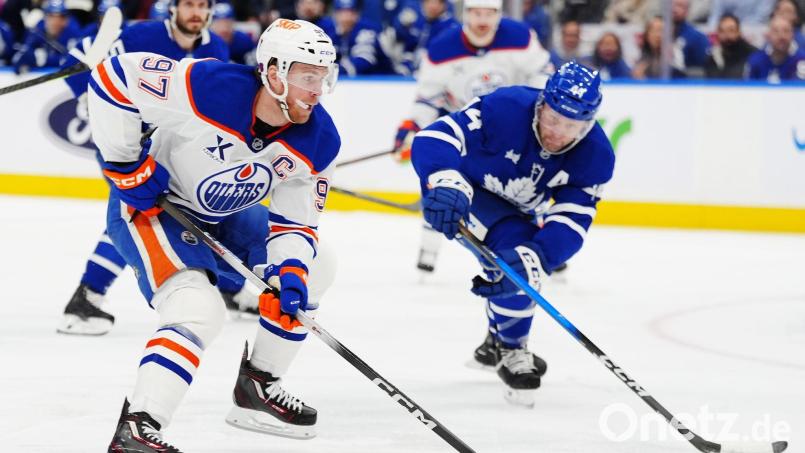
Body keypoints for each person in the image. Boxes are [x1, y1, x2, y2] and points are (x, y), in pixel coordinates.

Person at [87, 18, 340, 451]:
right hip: (155, 206)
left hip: (227, 214)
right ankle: (137, 427)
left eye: (324, 76)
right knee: (198, 308)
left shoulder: (319, 140)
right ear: (275, 72)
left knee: (317, 267)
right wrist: (125, 164)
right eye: (308, 76)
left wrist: (291, 270)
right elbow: (114, 77)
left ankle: (257, 387)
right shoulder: (208, 86)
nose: (318, 89)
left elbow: (296, 222)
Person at [410, 61, 614, 406]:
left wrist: (540, 257)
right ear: (542, 104)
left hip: (517, 211)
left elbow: (572, 219)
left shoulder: (595, 155)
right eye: (552, 118)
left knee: (521, 263)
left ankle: (496, 343)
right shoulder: (504, 107)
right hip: (465, 190)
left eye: (571, 126)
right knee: (514, 253)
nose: (557, 132)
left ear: (588, 124)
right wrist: (444, 178)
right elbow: (436, 136)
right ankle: (510, 347)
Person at [57, 0, 232, 335]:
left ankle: (230, 288)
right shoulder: (141, 35)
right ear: (173, 9)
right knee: (136, 213)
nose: (195, 12)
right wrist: (91, 97)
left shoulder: (216, 48)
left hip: (172, 150)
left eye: (202, 6)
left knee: (198, 213)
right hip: (127, 145)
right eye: (188, 5)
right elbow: (76, 61)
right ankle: (86, 297)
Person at [393, 0, 552, 274]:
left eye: (489, 14)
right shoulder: (443, 48)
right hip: (467, 133)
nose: (482, 20)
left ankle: (543, 246)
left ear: (499, 15)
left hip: (514, 131)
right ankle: (428, 251)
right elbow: (428, 98)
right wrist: (412, 127)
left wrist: (534, 105)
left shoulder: (520, 37)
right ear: (465, 14)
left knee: (526, 189)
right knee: (444, 186)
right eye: (476, 13)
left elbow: (543, 72)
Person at [11, 0, 82, 73]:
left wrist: (46, 59)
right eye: (50, 16)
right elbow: (24, 52)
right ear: (45, 17)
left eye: (60, 17)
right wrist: (24, 58)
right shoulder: (38, 30)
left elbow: (75, 62)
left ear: (66, 20)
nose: (54, 22)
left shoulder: (73, 32)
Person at [331, 0, 393, 75]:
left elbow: (364, 60)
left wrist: (335, 71)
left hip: (382, 79)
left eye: (351, 12)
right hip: (354, 80)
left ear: (357, 14)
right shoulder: (332, 30)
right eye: (342, 12)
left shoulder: (366, 29)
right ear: (335, 14)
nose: (346, 17)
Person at [746, 14, 805, 81]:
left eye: (786, 31)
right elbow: (749, 88)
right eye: (776, 31)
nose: (781, 36)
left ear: (793, 34)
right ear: (768, 35)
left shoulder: (802, 59)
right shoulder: (756, 59)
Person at [704, 13, 757, 79]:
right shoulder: (714, 55)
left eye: (731, 30)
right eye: (722, 31)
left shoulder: (753, 54)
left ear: (739, 32)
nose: (726, 35)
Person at [671, 0, 710, 77]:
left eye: (680, 6)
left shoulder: (697, 38)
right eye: (672, 5)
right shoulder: (657, 33)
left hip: (686, 85)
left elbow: (702, 69)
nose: (674, 9)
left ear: (687, 10)